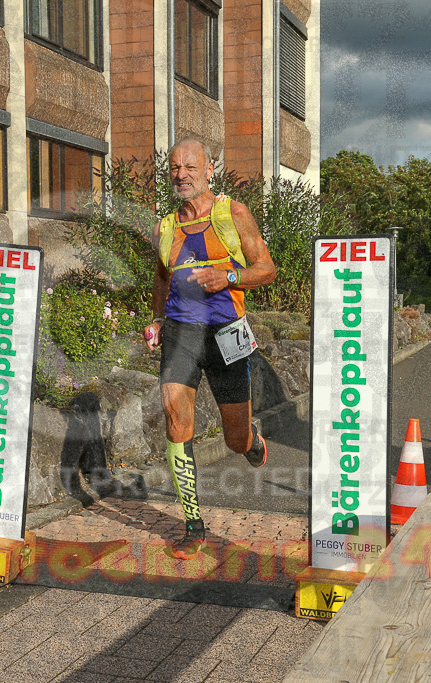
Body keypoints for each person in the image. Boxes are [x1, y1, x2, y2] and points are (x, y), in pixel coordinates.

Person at [144, 139, 277, 559]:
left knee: (234, 437)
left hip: (227, 333)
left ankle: (251, 441)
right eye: (174, 168)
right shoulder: (165, 227)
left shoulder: (232, 214)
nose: (181, 174)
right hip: (182, 332)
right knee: (173, 414)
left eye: (190, 166)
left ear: (209, 169)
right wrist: (158, 318)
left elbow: (266, 270)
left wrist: (229, 277)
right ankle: (194, 526)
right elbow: (162, 278)